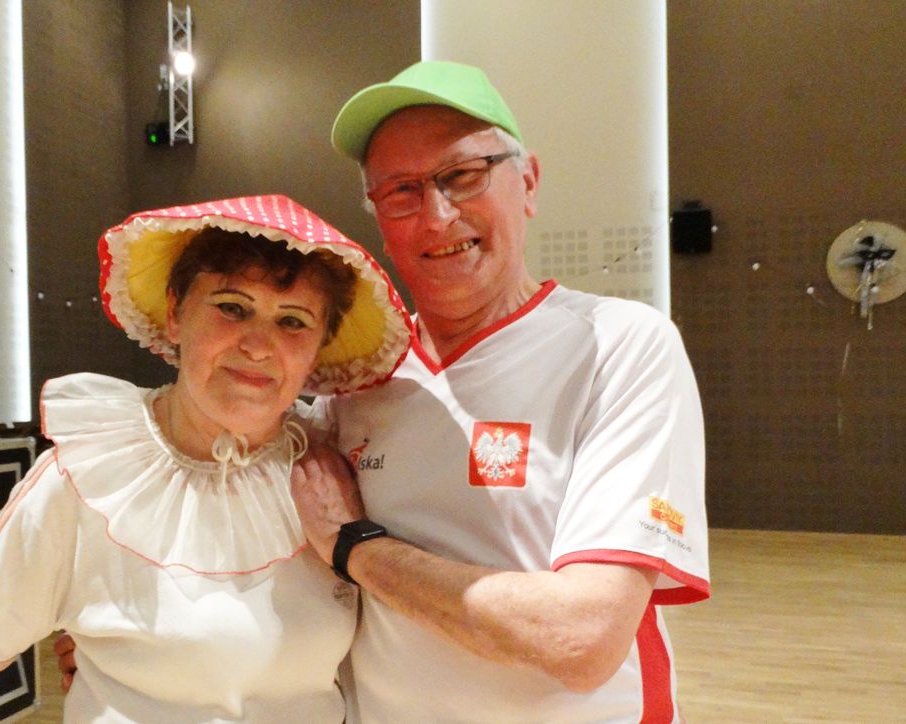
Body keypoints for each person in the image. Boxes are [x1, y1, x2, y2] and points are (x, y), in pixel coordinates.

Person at [287, 61, 711, 722]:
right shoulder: (357, 378)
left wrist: (358, 547)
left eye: (463, 175)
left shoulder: (618, 346)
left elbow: (581, 639)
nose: (438, 216)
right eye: (401, 191)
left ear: (528, 182)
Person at [0, 195, 411, 722]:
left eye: (293, 321)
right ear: (175, 315)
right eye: (232, 308)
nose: (259, 345)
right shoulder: (87, 480)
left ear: (318, 348)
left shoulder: (335, 477)